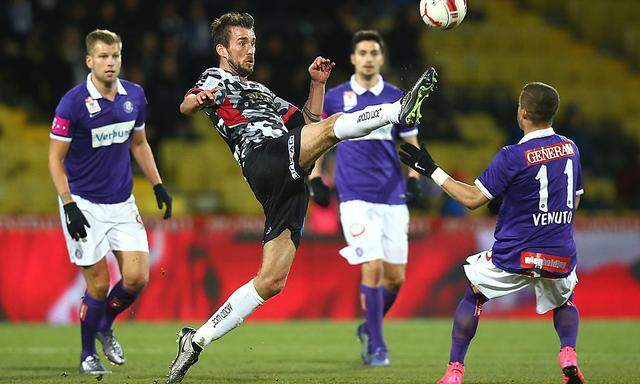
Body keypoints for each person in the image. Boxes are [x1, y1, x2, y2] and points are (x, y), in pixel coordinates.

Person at [167, 12, 437, 383]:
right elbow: (186, 104)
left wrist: (317, 84)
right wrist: (198, 100)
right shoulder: (215, 79)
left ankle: (195, 340)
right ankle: (397, 110)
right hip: (263, 157)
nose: (250, 49)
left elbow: (307, 121)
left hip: (286, 174)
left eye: (253, 42)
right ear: (222, 49)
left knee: (271, 282)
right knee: (332, 128)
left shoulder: (260, 90)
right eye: (242, 43)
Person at [400, 82, 585, 384]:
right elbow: (574, 201)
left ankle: (454, 372)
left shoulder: (513, 155)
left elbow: (473, 200)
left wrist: (432, 169)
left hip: (516, 254)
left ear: (523, 112)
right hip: (560, 252)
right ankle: (568, 354)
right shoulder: (570, 148)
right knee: (564, 298)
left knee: (474, 292)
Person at [48, 29, 172, 375]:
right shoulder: (73, 103)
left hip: (121, 202)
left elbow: (139, 143)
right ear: (89, 61)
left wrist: (158, 184)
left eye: (115, 56)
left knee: (136, 278)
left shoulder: (134, 95)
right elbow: (55, 159)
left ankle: (104, 325)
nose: (110, 63)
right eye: (103, 56)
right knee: (99, 284)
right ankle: (88, 353)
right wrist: (68, 204)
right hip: (83, 203)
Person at [308, 30, 422, 367]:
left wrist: (414, 176)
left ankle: (368, 327)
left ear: (381, 58)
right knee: (371, 268)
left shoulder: (397, 96)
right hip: (355, 196)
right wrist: (316, 177)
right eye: (363, 52)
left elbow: (411, 141)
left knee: (396, 278)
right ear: (353, 59)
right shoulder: (336, 97)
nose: (369, 57)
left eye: (374, 52)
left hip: (392, 196)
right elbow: (318, 139)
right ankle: (377, 346)